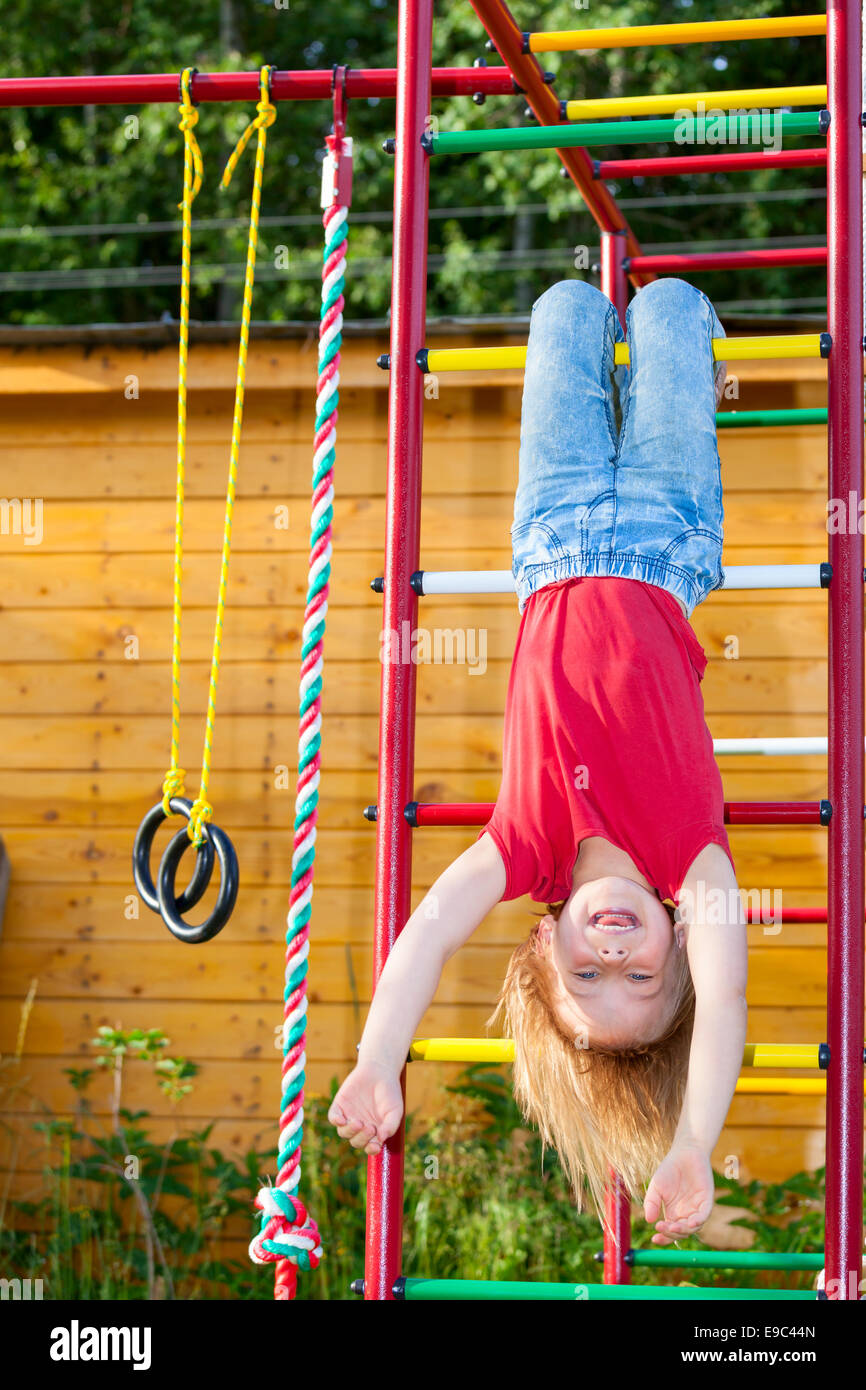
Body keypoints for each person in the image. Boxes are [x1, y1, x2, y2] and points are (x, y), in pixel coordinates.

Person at [329, 277, 748, 1245]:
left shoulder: (521, 849)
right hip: (665, 536)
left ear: (542, 952)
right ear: (680, 944)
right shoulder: (693, 860)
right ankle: (680, 316)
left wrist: (375, 1060)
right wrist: (692, 1141)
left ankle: (597, 296)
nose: (610, 959)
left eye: (585, 981)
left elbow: (425, 938)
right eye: (639, 981)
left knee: (560, 304)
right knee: (672, 309)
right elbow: (724, 998)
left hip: (550, 533)